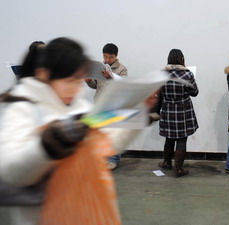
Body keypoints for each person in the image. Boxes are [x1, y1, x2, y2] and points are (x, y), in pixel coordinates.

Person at [0, 37, 156, 225]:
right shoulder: (22, 107)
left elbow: (107, 142)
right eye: (69, 80)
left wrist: (140, 114)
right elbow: (10, 170)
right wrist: (48, 145)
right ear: (44, 74)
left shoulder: (77, 105)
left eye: (77, 80)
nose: (75, 88)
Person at [86, 43, 128, 170]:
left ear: (116, 56)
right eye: (105, 56)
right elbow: (96, 85)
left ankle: (113, 160)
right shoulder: (100, 67)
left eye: (110, 57)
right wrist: (89, 81)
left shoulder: (122, 69)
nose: (107, 59)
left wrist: (111, 78)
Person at [158, 49, 199, 177]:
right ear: (181, 59)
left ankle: (167, 162)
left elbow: (159, 93)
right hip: (183, 109)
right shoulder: (187, 75)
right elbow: (195, 92)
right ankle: (178, 169)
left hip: (167, 108)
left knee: (169, 138)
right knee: (182, 140)